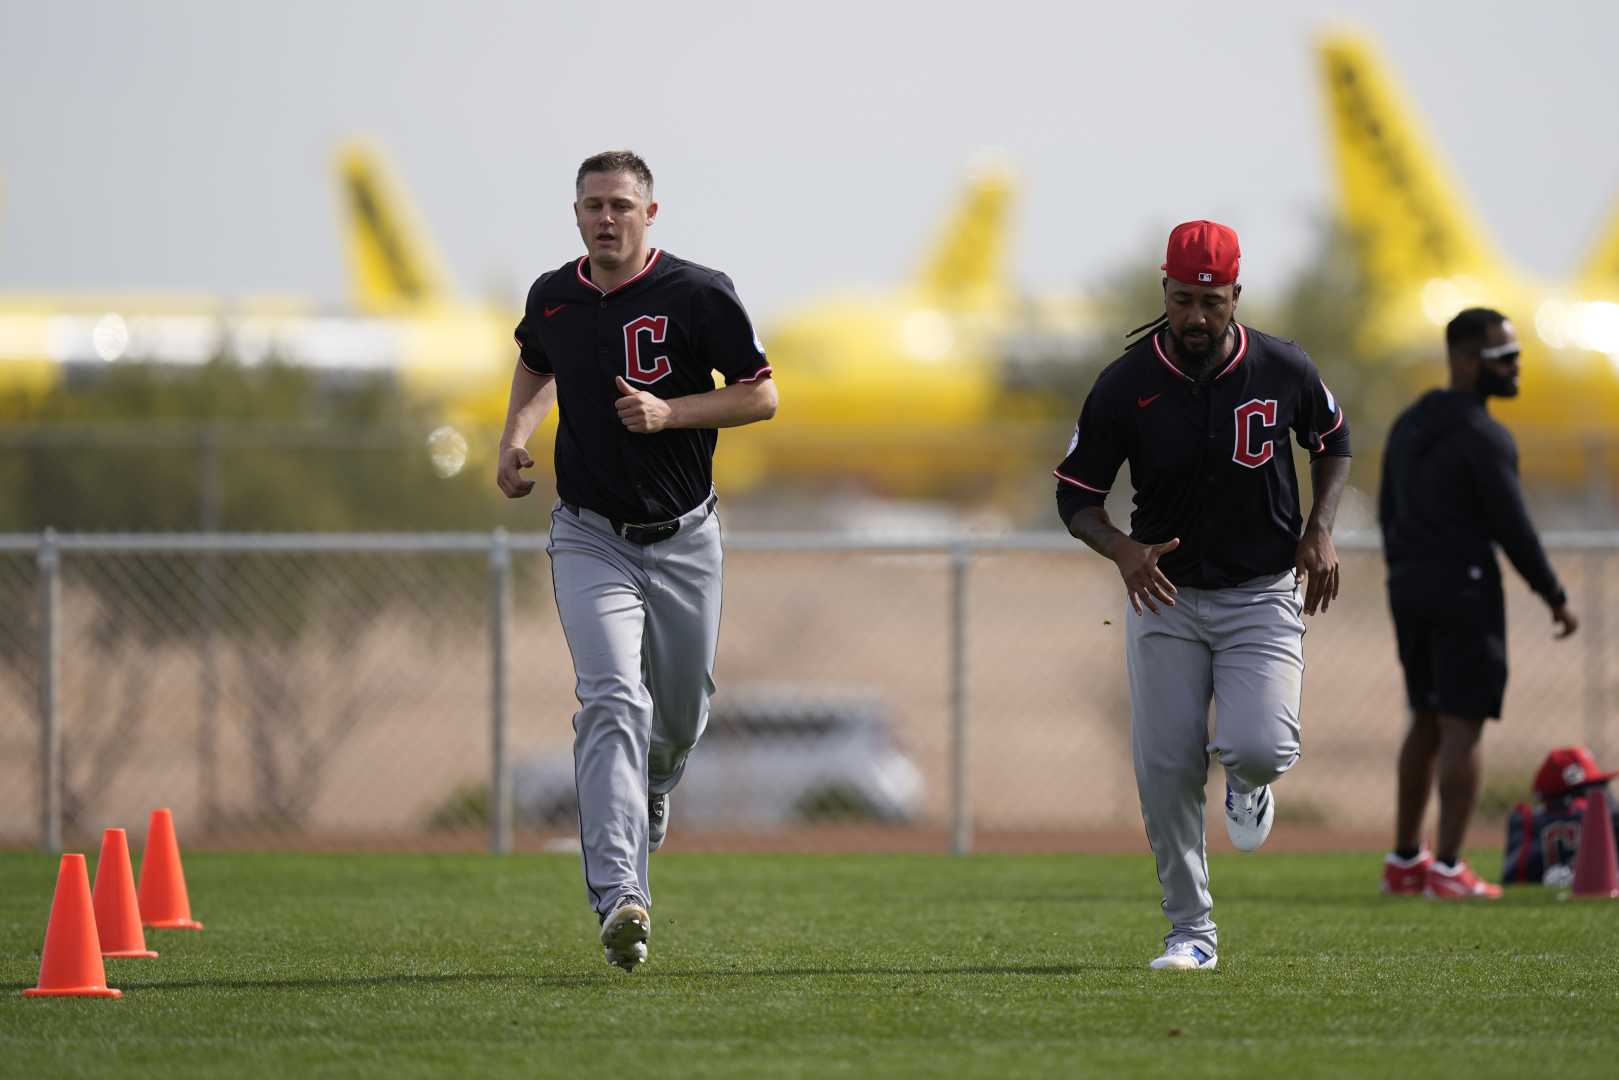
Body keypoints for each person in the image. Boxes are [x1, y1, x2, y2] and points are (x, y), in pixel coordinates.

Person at [497, 150, 777, 971]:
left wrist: (671, 412)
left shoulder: (697, 292)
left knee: (679, 716)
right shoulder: (554, 294)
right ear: (576, 213)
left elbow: (761, 393)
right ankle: (622, 896)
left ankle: (654, 788)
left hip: (686, 536)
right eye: (592, 205)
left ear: (650, 213)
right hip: (589, 535)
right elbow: (536, 359)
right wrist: (512, 439)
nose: (605, 218)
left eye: (621, 204)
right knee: (613, 699)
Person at [1054, 220, 1350, 971]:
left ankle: (1248, 786)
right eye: (1182, 299)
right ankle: (1191, 932)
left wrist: (1319, 530)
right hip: (1166, 598)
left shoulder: (1281, 366)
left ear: (1234, 298)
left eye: (1210, 302)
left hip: (1260, 594)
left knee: (1258, 746)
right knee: (1164, 771)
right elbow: (1075, 496)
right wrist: (1121, 550)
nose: (1194, 317)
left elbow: (1335, 442)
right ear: (1164, 292)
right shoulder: (1125, 383)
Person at [1378, 307, 1578, 900]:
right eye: (1504, 358)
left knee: (1425, 719)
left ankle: (1405, 861)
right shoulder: (1484, 434)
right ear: (1467, 361)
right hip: (1464, 591)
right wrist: (1555, 596)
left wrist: (1406, 572)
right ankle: (1449, 868)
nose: (1516, 367)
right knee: (1462, 726)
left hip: (1408, 587)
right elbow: (1514, 529)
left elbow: (1387, 508)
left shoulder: (1411, 421)